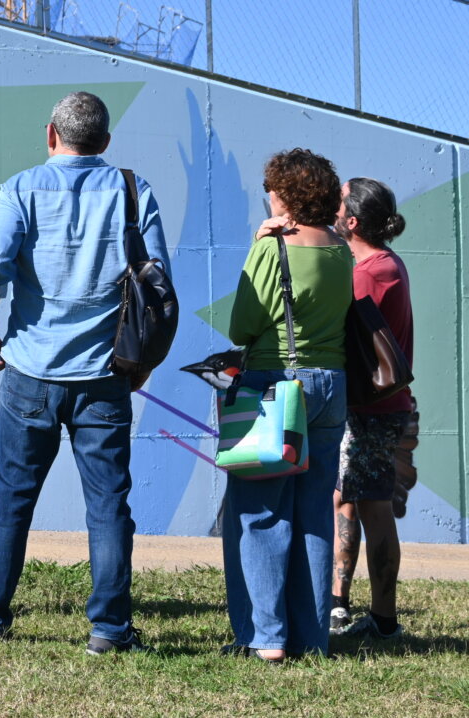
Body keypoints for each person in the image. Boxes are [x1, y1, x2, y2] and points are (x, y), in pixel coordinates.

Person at [0, 91, 168, 653]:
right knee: (108, 507)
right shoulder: (134, 191)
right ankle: (108, 630)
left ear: (51, 134)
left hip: (30, 372)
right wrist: (143, 363)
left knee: (11, 500)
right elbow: (158, 286)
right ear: (105, 142)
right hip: (105, 375)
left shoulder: (20, 188)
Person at [223, 149, 353, 662]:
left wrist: (257, 245)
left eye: (271, 189)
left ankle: (267, 637)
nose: (269, 197)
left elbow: (241, 326)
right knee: (315, 511)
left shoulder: (273, 246)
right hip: (331, 386)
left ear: (286, 195)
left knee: (259, 512)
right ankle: (311, 638)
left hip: (277, 383)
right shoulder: (341, 250)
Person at [329, 178, 412, 639]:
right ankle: (338, 602)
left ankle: (383, 621)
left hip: (372, 411)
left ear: (353, 221)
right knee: (347, 498)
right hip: (371, 407)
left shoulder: (368, 273)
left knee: (374, 506)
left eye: (338, 203)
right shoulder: (382, 263)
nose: (331, 209)